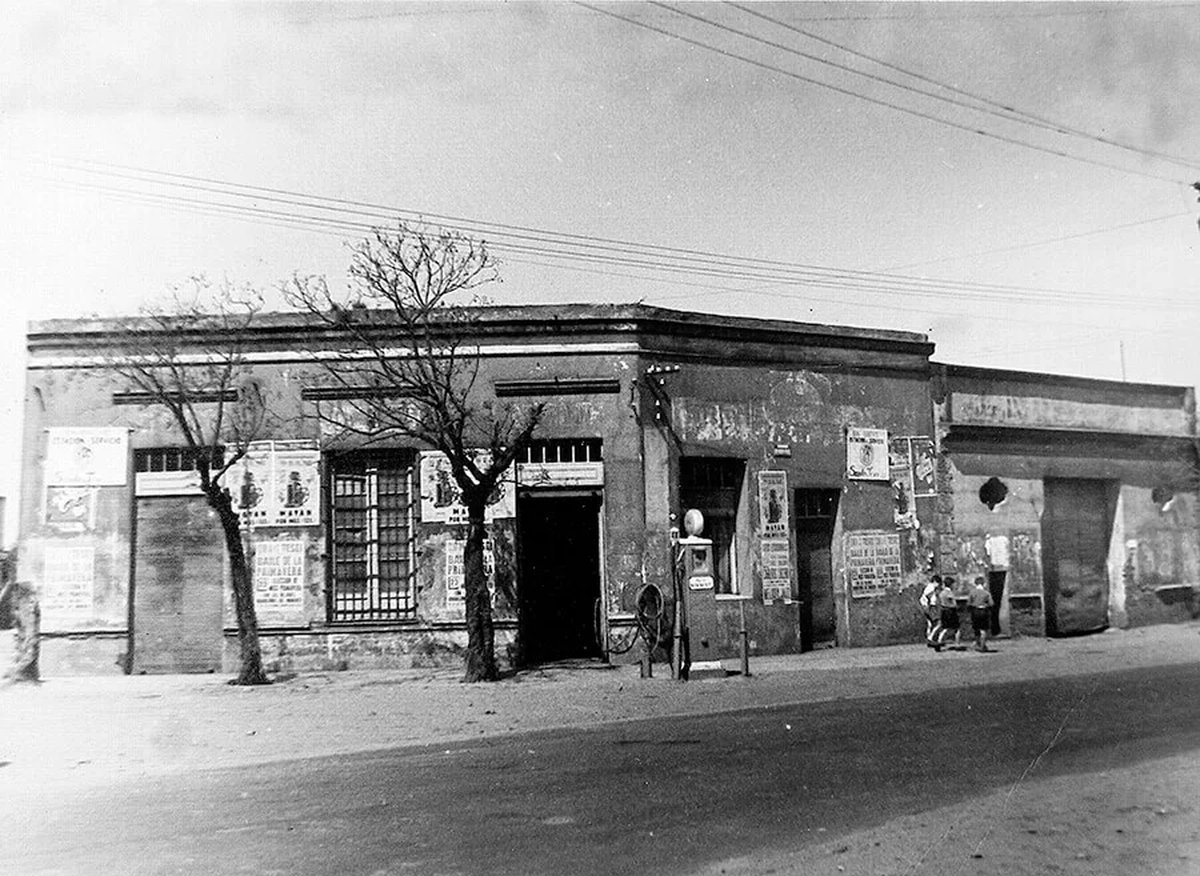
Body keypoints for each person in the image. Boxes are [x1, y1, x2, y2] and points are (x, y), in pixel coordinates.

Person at [932, 576, 960, 652]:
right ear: (951, 584)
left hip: (943, 610)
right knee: (957, 628)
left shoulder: (942, 593)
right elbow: (954, 603)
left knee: (945, 628)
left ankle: (939, 640)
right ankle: (957, 644)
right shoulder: (949, 593)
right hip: (951, 611)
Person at [968, 576, 995, 653]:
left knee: (976, 629)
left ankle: (978, 643)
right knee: (983, 629)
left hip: (975, 611)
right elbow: (991, 603)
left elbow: (969, 603)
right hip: (983, 611)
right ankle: (982, 646)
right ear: (983, 583)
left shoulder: (972, 592)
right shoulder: (986, 593)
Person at [919, 574, 942, 647]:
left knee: (930, 624)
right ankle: (930, 638)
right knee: (939, 623)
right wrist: (929, 604)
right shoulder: (931, 587)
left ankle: (929, 640)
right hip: (930, 607)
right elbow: (927, 595)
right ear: (934, 581)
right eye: (938, 583)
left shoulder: (930, 587)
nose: (939, 585)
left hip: (926, 606)